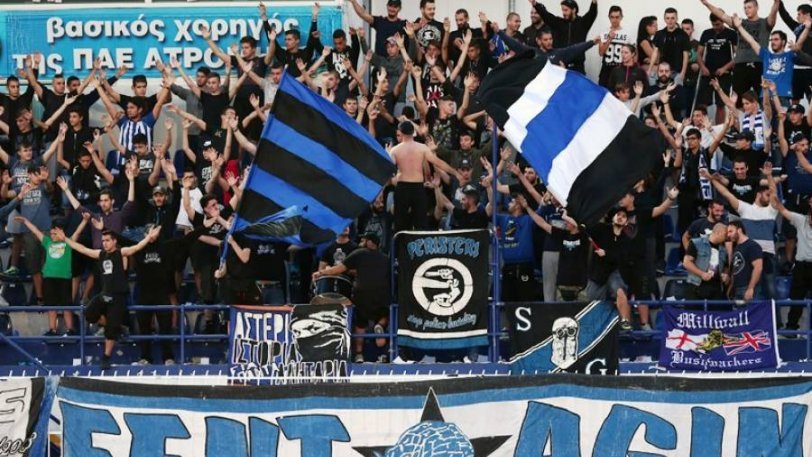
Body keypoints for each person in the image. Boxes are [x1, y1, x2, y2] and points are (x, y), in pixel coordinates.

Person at [62, 226, 161, 369]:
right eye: (103, 241)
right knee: (89, 313)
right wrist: (65, 239)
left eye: (108, 240)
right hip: (104, 294)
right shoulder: (101, 254)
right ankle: (115, 326)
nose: (105, 243)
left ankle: (106, 357)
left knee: (110, 331)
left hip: (118, 296)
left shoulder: (121, 253)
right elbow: (83, 249)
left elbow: (137, 247)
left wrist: (148, 238)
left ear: (114, 241)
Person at [313, 232, 390, 363]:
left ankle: (359, 354)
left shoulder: (359, 253)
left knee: (360, 324)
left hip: (362, 294)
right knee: (385, 315)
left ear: (370, 243)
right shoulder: (386, 258)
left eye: (363, 240)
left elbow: (338, 269)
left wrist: (321, 272)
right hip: (382, 295)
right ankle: (380, 325)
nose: (360, 243)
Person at [701, 0, 780, 104]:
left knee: (762, 97)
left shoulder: (765, 23)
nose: (746, 10)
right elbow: (721, 15)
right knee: (738, 99)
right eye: (745, 8)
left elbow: (773, 13)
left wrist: (776, 2)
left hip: (759, 64)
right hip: (741, 65)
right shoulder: (740, 23)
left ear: (757, 8)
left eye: (749, 7)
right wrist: (706, 3)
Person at [389, 121, 457, 233]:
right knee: (420, 222)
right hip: (416, 188)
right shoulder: (422, 148)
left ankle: (401, 243)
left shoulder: (395, 150)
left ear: (400, 132)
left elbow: (389, 170)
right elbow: (438, 162)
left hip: (404, 187)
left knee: (402, 223)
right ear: (413, 132)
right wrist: (455, 172)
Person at [734, 14, 809, 104]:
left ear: (783, 42)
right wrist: (739, 27)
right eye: (771, 40)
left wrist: (807, 28)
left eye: (776, 39)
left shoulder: (789, 55)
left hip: (782, 96)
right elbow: (751, 41)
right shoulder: (766, 55)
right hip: (765, 97)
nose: (773, 42)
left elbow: (799, 43)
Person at [585, 208, 633, 330]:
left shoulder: (627, 240)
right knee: (592, 303)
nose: (620, 217)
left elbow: (621, 258)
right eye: (618, 214)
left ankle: (625, 321)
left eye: (624, 216)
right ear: (613, 218)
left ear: (626, 222)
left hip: (613, 272)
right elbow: (586, 229)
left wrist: (606, 254)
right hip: (597, 273)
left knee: (620, 291)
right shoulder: (601, 229)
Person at [529, 0, 598, 74]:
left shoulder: (582, 23)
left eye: (566, 10)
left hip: (577, 67)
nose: (563, 13)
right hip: (560, 66)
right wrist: (535, 4)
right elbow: (546, 15)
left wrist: (594, 3)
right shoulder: (559, 23)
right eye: (562, 10)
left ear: (574, 10)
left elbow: (592, 13)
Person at [697, 15, 738, 124]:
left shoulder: (731, 34)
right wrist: (702, 67)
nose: (716, 27)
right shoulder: (706, 33)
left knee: (721, 104)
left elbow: (737, 55)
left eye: (718, 24)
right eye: (713, 24)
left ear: (723, 21)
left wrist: (725, 68)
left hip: (724, 73)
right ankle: (702, 127)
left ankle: (719, 129)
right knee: (703, 103)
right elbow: (699, 53)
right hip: (708, 73)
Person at [683, 223, 729, 300]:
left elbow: (726, 266)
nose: (727, 237)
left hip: (716, 288)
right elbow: (687, 262)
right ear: (719, 232)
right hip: (696, 285)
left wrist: (725, 274)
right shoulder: (696, 243)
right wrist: (702, 274)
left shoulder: (724, 250)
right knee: (693, 308)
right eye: (725, 234)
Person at [598, 6, 635, 89]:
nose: (614, 20)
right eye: (612, 17)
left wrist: (632, 71)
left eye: (617, 17)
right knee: (603, 94)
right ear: (609, 17)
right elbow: (601, 53)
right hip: (606, 70)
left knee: (620, 94)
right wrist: (609, 39)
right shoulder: (603, 32)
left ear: (621, 17)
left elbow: (634, 54)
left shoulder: (627, 34)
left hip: (622, 70)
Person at [727, 220, 763, 301]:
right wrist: (730, 287)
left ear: (739, 230)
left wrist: (750, 288)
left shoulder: (752, 246)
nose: (728, 235)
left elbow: (758, 268)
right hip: (737, 288)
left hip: (747, 287)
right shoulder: (737, 247)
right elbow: (735, 269)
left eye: (731, 231)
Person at [653, 7, 691, 84]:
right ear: (664, 19)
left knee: (677, 91)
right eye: (667, 18)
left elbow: (685, 55)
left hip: (677, 71)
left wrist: (683, 72)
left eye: (672, 18)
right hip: (662, 71)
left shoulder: (683, 35)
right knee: (659, 90)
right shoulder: (659, 34)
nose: (670, 21)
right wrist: (651, 68)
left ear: (676, 19)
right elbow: (655, 52)